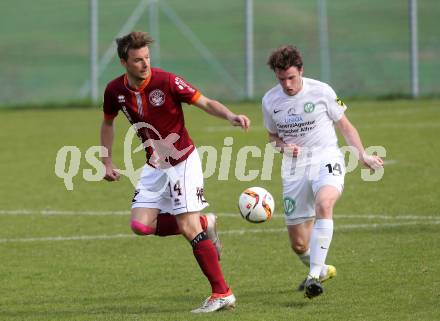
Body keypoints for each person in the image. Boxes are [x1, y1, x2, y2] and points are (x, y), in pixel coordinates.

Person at [100, 31, 250, 312]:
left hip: (182, 161)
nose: (144, 64)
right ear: (124, 63)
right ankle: (205, 223)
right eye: (137, 60)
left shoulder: (166, 81)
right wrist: (106, 161)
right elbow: (108, 123)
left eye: (147, 58)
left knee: (186, 226)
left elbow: (203, 101)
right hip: (155, 166)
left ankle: (222, 293)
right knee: (141, 225)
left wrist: (230, 115)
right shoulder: (114, 91)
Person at [262, 45, 383, 299]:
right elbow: (272, 137)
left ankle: (314, 277)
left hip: (326, 158)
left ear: (301, 71)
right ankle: (321, 268)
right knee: (298, 244)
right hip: (294, 169)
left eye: (292, 78)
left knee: (324, 203)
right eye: (282, 79)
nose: (287, 85)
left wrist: (362, 154)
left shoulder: (322, 91)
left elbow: (345, 126)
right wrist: (284, 146)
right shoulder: (270, 101)